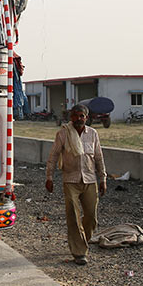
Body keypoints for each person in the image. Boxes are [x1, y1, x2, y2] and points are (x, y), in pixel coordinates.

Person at [45, 103, 107, 265]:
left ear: (87, 118)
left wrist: (103, 179)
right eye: (75, 116)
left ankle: (82, 241)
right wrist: (49, 177)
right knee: (73, 215)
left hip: (90, 180)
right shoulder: (63, 134)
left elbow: (99, 158)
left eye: (82, 116)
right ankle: (79, 252)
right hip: (70, 180)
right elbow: (53, 156)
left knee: (91, 217)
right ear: (70, 117)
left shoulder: (93, 134)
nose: (78, 119)